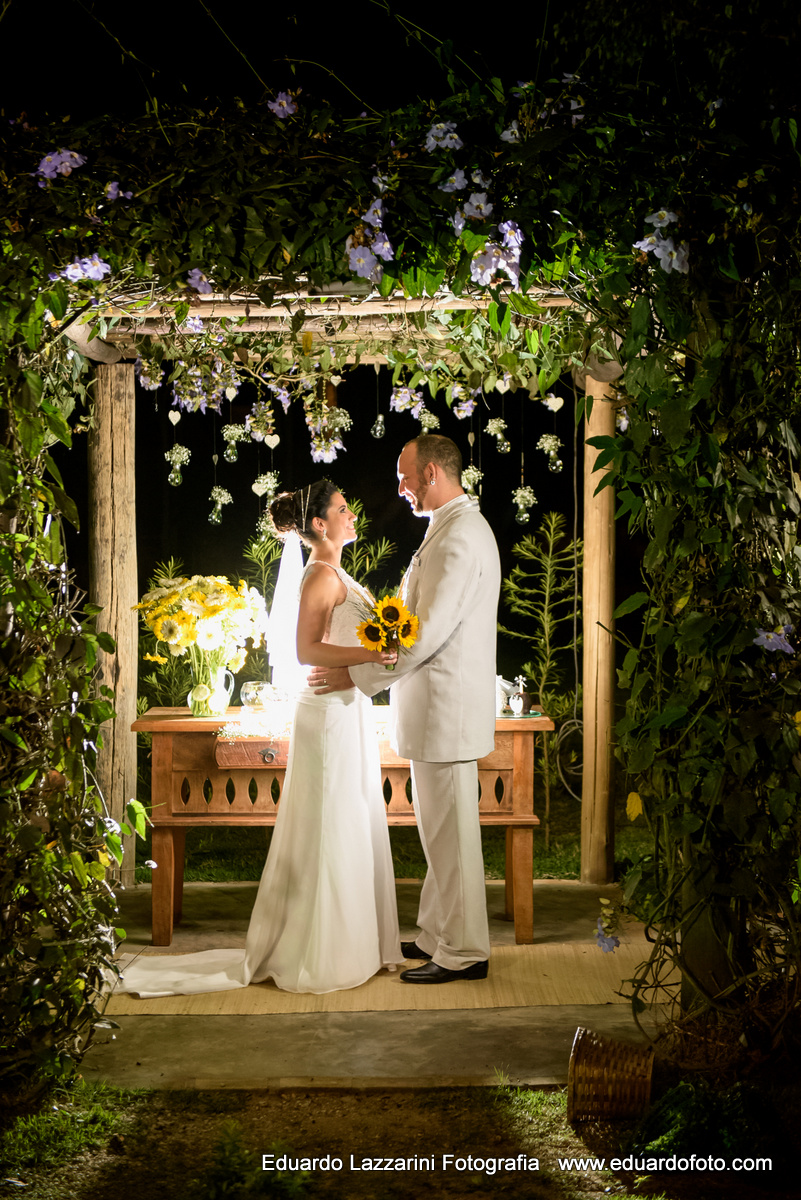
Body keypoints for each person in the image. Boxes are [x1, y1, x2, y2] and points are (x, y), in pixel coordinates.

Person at [116, 480, 404, 997]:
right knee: (329, 823)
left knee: (350, 818)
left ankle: (354, 942)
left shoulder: (334, 571)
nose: (352, 516)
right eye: (343, 509)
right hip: (327, 714)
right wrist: (370, 655)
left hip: (347, 709)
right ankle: (322, 951)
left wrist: (376, 652)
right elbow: (305, 650)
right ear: (319, 524)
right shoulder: (320, 575)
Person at [309, 435, 501, 984]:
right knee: (439, 834)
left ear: (432, 474)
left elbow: (427, 635)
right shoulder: (449, 527)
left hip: (447, 710)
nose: (400, 488)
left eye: (405, 477)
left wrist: (356, 674)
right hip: (436, 709)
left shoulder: (460, 536)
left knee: (453, 837)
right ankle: (438, 935)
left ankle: (464, 952)